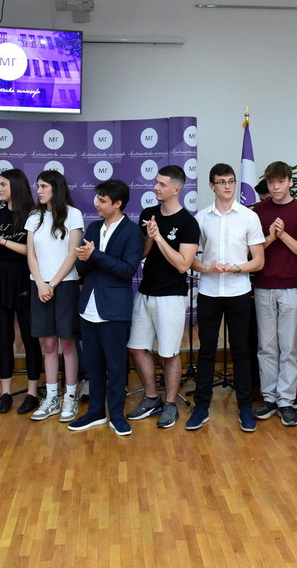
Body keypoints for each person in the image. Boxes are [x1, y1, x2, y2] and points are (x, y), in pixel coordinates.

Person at [186, 164, 265, 431]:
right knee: (207, 351)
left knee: (241, 351)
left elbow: (259, 260)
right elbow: (189, 260)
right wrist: (208, 268)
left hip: (238, 292)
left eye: (231, 181)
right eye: (221, 182)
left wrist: (235, 268)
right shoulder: (200, 218)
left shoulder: (249, 217)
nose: (228, 186)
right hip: (209, 291)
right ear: (212, 186)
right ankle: (201, 408)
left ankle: (245, 408)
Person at [68, 179, 145, 435]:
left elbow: (127, 270)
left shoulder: (132, 232)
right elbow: (81, 267)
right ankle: (95, 412)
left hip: (114, 309)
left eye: (102, 200)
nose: (96, 204)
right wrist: (86, 258)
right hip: (88, 307)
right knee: (93, 365)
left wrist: (95, 255)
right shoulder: (93, 227)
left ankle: (117, 415)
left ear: (117, 203)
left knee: (116, 366)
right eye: (97, 199)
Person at [126, 165, 200, 429]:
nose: (155, 187)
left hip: (171, 296)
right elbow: (142, 254)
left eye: (161, 184)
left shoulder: (188, 223)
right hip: (145, 292)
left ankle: (170, 404)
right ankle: (151, 397)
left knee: (169, 353)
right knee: (136, 347)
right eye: (156, 182)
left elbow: (183, 264)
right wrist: (149, 237)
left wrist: (159, 238)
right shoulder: (148, 214)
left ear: (176, 189)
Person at [251, 161, 297, 427]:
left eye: (280, 181)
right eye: (271, 182)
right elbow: (252, 251)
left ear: (290, 182)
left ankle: (286, 400)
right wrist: (271, 237)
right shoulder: (257, 212)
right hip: (263, 285)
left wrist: (283, 235)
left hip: (293, 285)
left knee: (289, 346)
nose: (275, 187)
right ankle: (269, 398)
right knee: (266, 346)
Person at [0, 170, 39, 414]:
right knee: (4, 339)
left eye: (3, 184)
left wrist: (2, 241)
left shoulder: (34, 215)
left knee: (31, 339)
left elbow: (33, 252)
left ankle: (32, 393)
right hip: (1, 280)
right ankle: (5, 393)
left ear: (16, 186)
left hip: (26, 278)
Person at [25, 170, 84, 422]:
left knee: (67, 343)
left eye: (43, 186)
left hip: (65, 285)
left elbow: (73, 253)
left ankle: (70, 396)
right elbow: (30, 254)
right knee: (48, 345)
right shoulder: (34, 216)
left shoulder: (73, 214)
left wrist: (52, 283)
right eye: (37, 186)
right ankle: (51, 397)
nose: (38, 191)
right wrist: (41, 283)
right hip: (39, 287)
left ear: (55, 188)